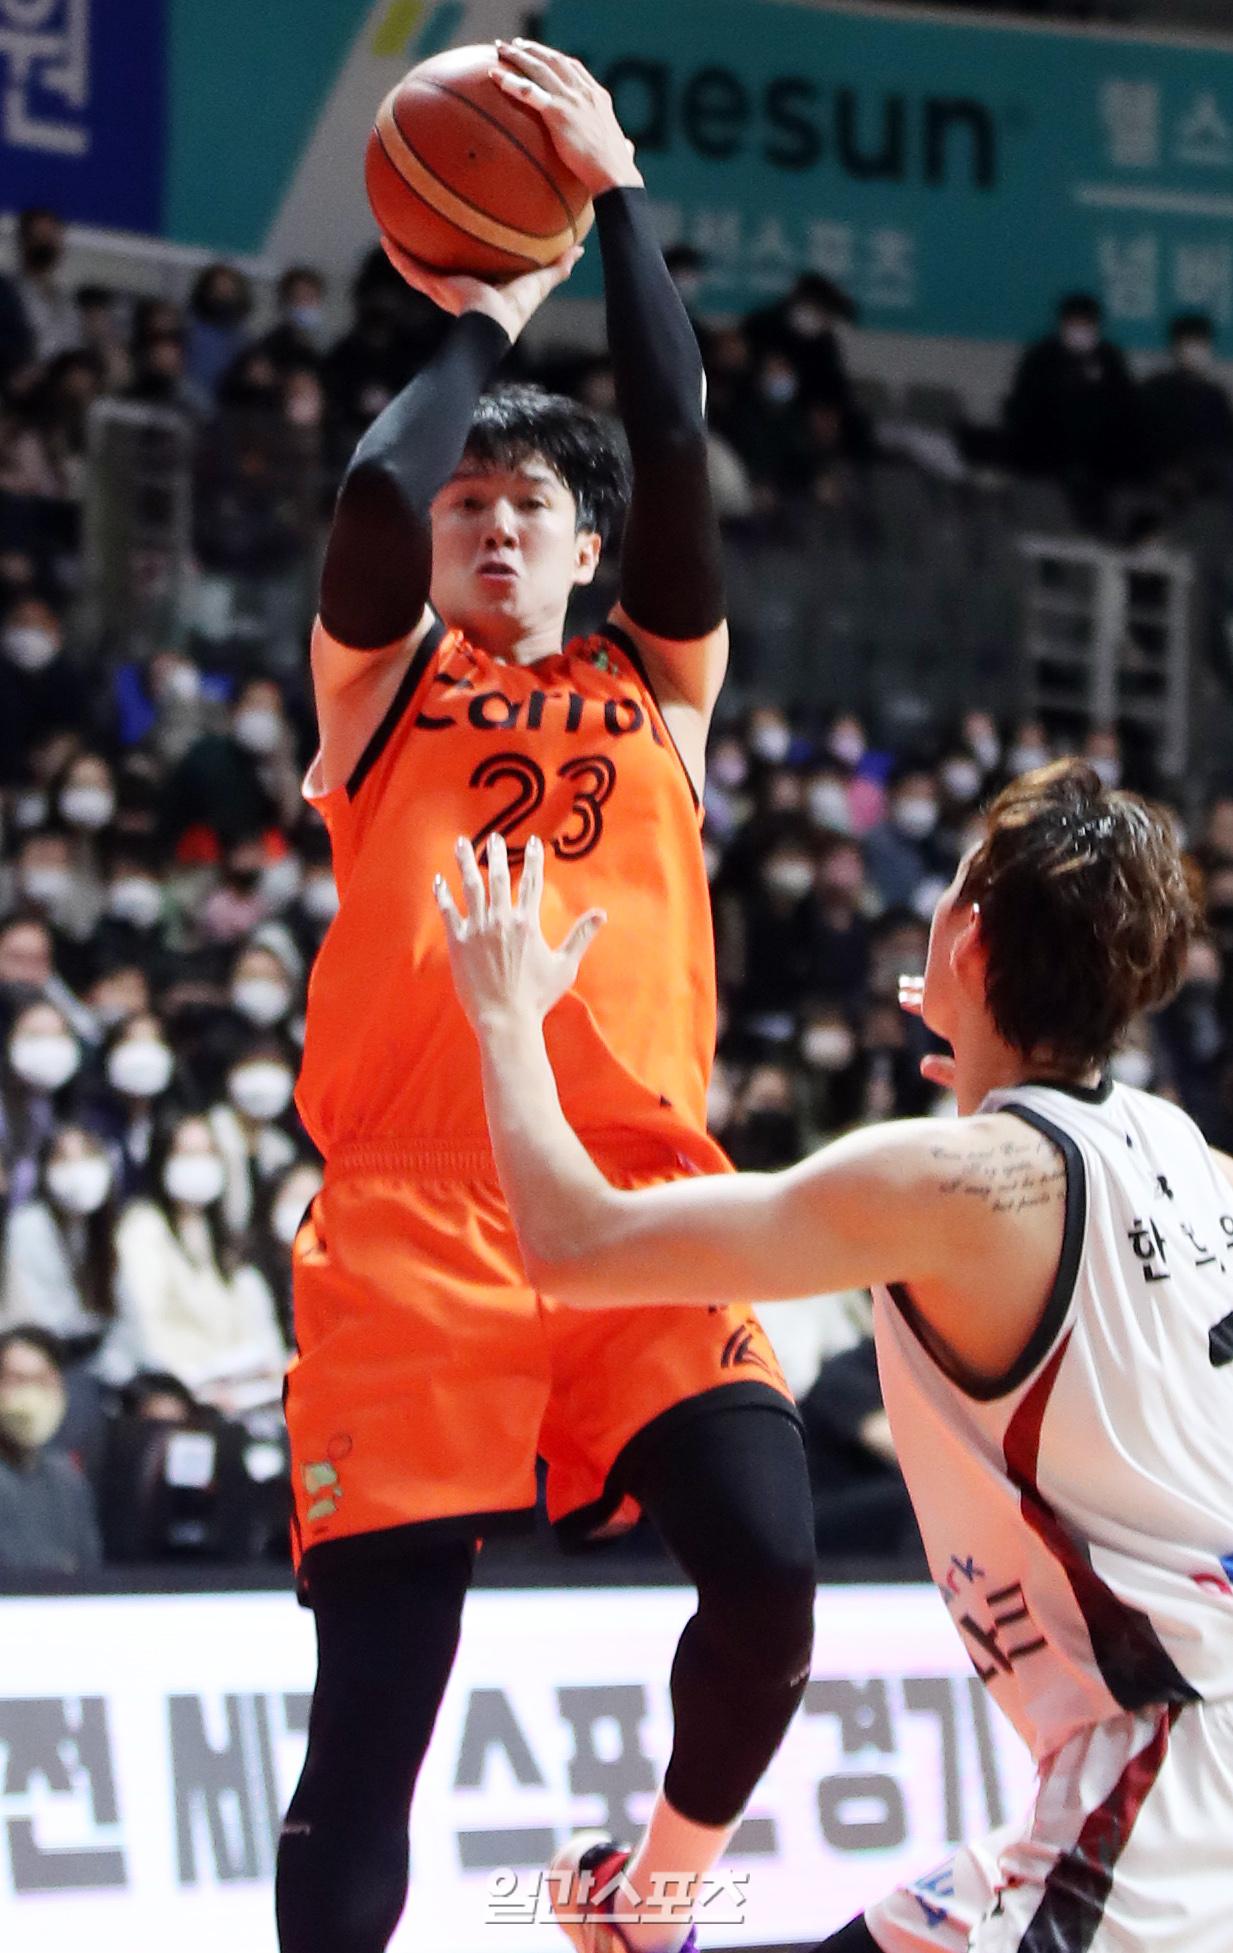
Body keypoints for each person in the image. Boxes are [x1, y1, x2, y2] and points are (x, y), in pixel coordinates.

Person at [276, 38, 816, 1953]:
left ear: (591, 549)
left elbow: (668, 430)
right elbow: (374, 477)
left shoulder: (660, 684)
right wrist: (493, 304)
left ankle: (645, 1897)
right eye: (468, 509)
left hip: (639, 1194)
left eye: (526, 507)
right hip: (417, 1217)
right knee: (372, 1732)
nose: (490, 524)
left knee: (769, 1572)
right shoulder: (376, 692)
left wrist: (620, 193)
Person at [439, 759, 1233, 1953]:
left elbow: (572, 1241)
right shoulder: (1179, 1148)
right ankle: (647, 1916)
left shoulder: (949, 1182)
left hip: (1164, 1788)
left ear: (971, 940)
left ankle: (643, 1919)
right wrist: (986, 1079)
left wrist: (504, 1018)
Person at [0, 1326, 102, 1576]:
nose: (31, 1394)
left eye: (43, 1381)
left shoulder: (67, 1480)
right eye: (17, 1380)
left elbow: (89, 1571)